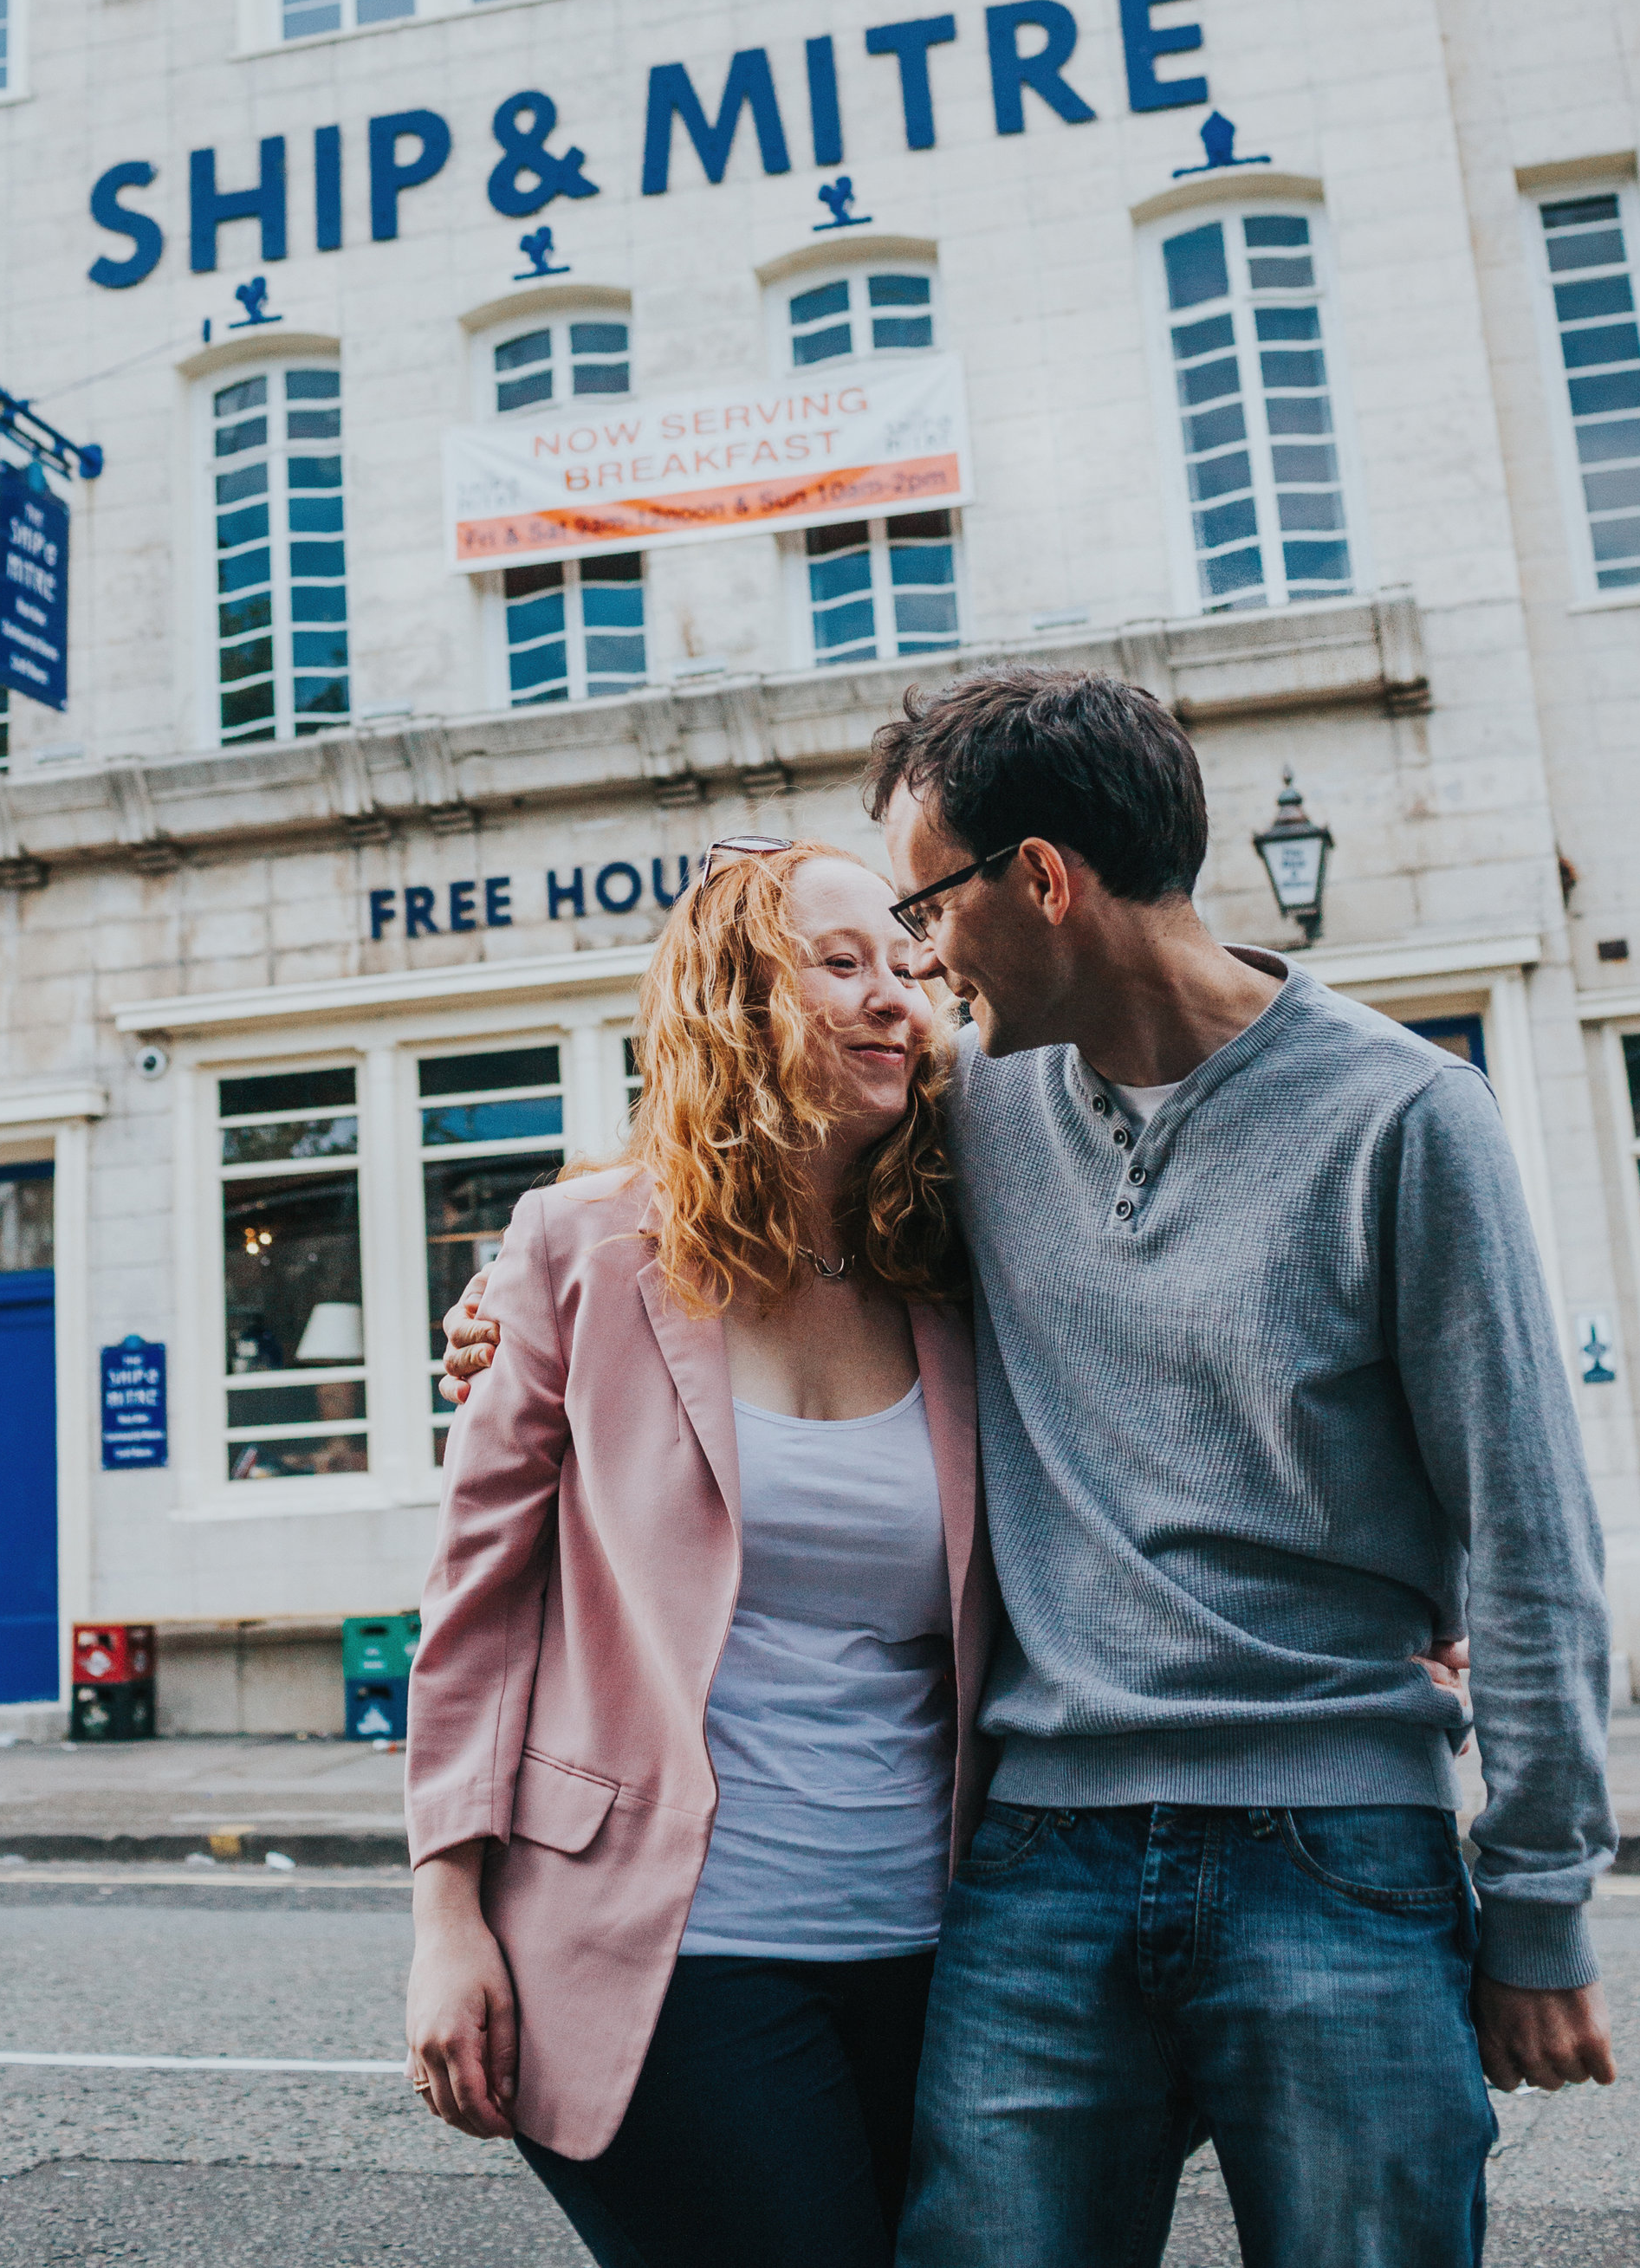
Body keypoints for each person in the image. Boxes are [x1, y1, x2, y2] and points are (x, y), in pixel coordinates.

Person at [446, 667, 1618, 2268]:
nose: (916, 964)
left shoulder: (1409, 1118)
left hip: (1335, 1840)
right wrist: (513, 1313)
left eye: (926, 906)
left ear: (1043, 880)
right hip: (1037, 1856)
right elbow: (732, 1167)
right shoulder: (975, 1119)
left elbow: (1530, 1542)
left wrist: (1541, 1902)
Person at [403, 839, 999, 2268]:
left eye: (910, 968)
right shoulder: (580, 1248)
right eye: (840, 963)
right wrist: (444, 1914)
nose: (892, 1000)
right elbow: (478, 1603)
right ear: (734, 1001)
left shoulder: (964, 1256)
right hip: (670, 1954)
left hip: (947, 1949)